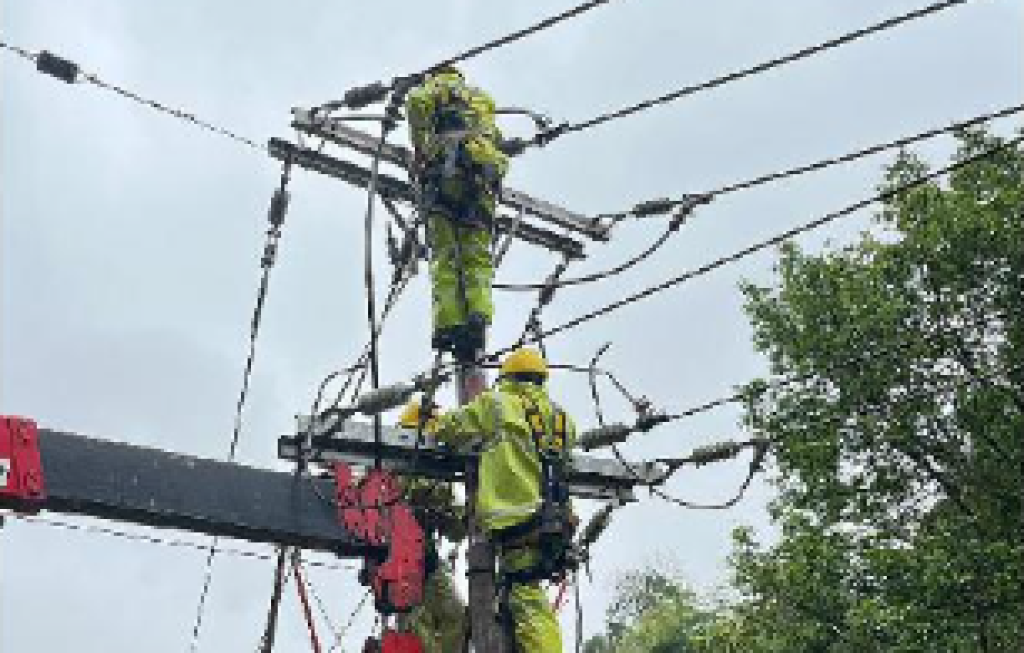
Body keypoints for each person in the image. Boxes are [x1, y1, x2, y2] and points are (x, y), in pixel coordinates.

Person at [432, 348, 577, 652]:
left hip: (517, 519)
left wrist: (431, 424)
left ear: (507, 377)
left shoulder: (497, 404)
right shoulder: (562, 419)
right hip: (555, 521)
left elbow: (452, 428)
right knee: (519, 592)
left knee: (525, 594)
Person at [405, 67, 509, 361]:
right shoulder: (481, 100)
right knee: (477, 259)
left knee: (446, 257)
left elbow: (415, 103)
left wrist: (422, 146)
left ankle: (448, 325)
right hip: (481, 184)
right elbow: (496, 140)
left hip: (444, 181)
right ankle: (477, 316)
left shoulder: (435, 88)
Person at [395, 398, 466, 653]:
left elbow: (458, 531)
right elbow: (400, 494)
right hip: (398, 562)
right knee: (417, 622)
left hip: (426, 559)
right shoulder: (395, 464)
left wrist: (457, 516)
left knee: (456, 615)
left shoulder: (439, 477)